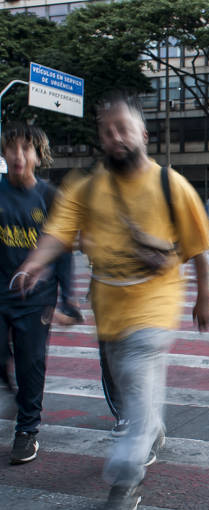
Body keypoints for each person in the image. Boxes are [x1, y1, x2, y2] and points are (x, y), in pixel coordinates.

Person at [14, 92, 209, 509]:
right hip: (109, 308)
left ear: (142, 132)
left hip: (155, 305)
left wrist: (203, 299)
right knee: (127, 385)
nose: (115, 137)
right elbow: (58, 233)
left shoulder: (170, 184)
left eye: (123, 128)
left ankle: (126, 482)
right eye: (107, 131)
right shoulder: (86, 188)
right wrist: (34, 263)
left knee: (138, 379)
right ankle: (152, 427)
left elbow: (199, 248)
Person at [0, 124, 77, 465]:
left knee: (31, 363)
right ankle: (11, 390)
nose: (19, 156)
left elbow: (63, 249)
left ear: (38, 155)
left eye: (26, 149)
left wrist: (68, 299)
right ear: (3, 153)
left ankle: (27, 430)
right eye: (12, 148)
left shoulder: (49, 196)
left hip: (37, 299)